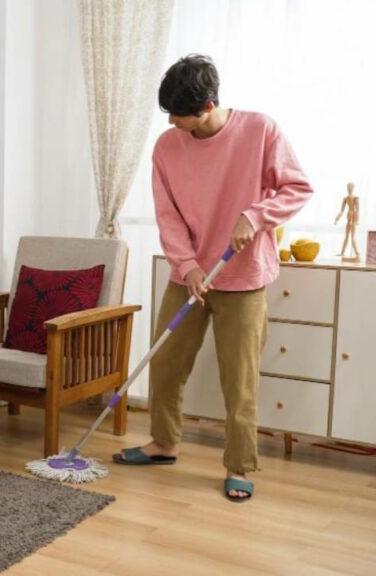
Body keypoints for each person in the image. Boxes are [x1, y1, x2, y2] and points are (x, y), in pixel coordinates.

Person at [113, 54, 313, 503]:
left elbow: (297, 187)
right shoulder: (167, 147)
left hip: (243, 280)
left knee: (238, 379)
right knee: (165, 362)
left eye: (178, 113)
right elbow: (168, 216)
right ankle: (164, 443)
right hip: (190, 276)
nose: (170, 121)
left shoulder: (261, 130)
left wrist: (256, 215)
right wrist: (188, 267)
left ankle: (239, 465)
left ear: (206, 107)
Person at [335, 182, 360, 260]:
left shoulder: (356, 198)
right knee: (346, 237)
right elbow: (341, 210)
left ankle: (357, 253)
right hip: (348, 218)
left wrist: (357, 220)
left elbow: (358, 209)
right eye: (348, 187)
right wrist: (337, 219)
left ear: (353, 188)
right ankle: (342, 252)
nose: (349, 189)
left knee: (352, 237)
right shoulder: (345, 198)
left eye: (351, 187)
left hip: (353, 218)